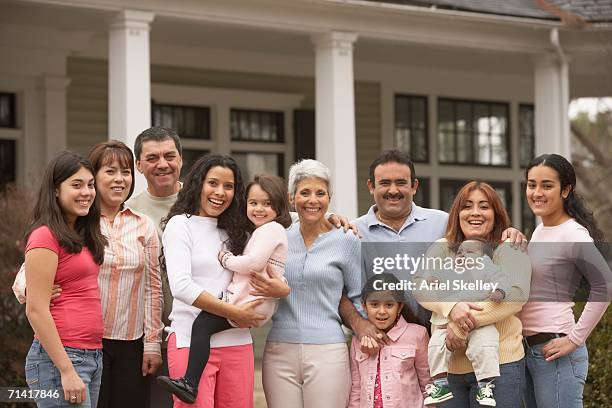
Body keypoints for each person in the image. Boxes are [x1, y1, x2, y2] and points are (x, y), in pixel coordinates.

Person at [347, 150, 526, 343]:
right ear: (371, 187)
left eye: (401, 183)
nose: (393, 190)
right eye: (384, 183)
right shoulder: (353, 233)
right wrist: (359, 324)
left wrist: (507, 233)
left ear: (414, 186)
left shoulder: (442, 223)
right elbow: (341, 291)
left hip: (438, 335)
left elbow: (479, 234)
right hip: (380, 341)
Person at [162, 154, 286, 408]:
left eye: (228, 186)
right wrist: (234, 312)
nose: (220, 192)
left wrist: (334, 220)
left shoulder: (241, 228)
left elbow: (286, 219)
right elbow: (182, 287)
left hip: (237, 342)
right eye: (213, 183)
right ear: (198, 183)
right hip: (189, 342)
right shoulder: (180, 225)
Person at [414, 181, 532, 408]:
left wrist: (460, 324)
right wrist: (451, 307)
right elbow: (421, 286)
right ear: (457, 214)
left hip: (500, 366)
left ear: (496, 214)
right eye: (467, 206)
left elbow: (515, 296)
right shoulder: (442, 247)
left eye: (484, 206)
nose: (475, 213)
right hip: (449, 371)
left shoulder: (509, 248)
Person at [262, 159, 363, 408]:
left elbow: (359, 296)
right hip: (279, 350)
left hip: (329, 350)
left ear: (330, 197)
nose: (313, 200)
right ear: (291, 198)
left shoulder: (346, 239)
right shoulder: (277, 237)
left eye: (320, 193)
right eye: (304, 193)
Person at [520, 154, 610, 408]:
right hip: (528, 350)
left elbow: (605, 285)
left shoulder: (573, 233)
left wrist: (574, 338)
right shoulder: (540, 229)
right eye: (531, 184)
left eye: (547, 185)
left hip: (555, 351)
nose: (537, 192)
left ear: (566, 190)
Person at [23, 151, 106, 407]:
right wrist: (66, 369)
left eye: (90, 185)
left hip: (91, 355)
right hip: (60, 359)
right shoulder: (45, 236)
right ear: (56, 190)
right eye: (76, 185)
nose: (87, 192)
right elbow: (35, 310)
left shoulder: (81, 234)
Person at [87, 141, 164, 408]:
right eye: (110, 171)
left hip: (131, 344)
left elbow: (153, 288)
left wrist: (153, 343)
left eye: (126, 171)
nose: (120, 179)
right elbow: (27, 279)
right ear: (93, 177)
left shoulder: (144, 225)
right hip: (85, 344)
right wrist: (39, 291)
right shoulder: (77, 222)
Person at [423, 238, 510, 406]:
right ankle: (440, 384)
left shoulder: (486, 267)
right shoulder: (450, 269)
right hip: (450, 321)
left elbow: (501, 277)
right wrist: (433, 280)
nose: (463, 255)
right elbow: (433, 281)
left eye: (470, 252)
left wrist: (499, 290)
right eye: (460, 252)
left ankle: (485, 386)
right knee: (435, 345)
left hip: (480, 321)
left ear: (484, 257)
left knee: (485, 346)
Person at [348, 273, 431, 408]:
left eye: (389, 305)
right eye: (374, 304)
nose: (382, 311)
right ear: (364, 306)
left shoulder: (418, 334)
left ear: (399, 307)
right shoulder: (358, 340)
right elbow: (356, 389)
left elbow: (428, 384)